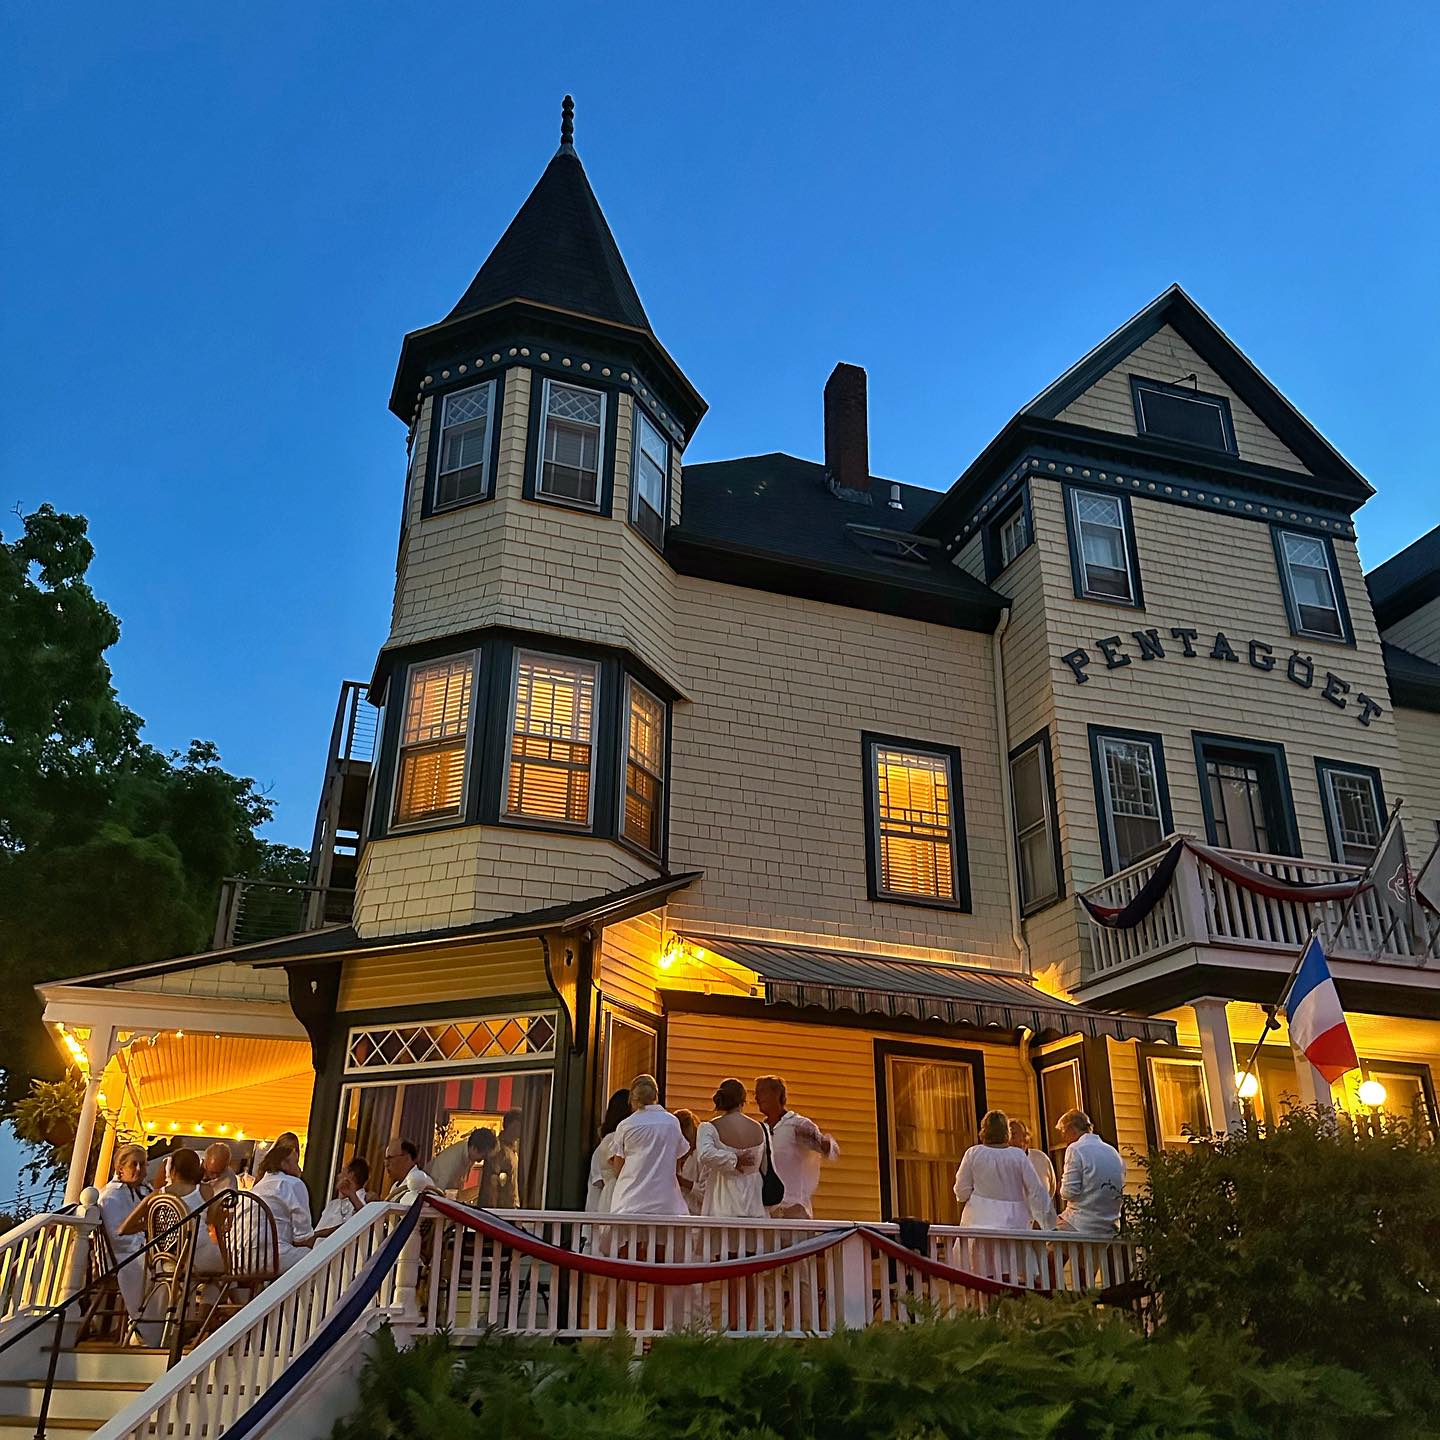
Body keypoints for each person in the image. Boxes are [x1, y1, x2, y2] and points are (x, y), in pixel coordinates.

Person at [755, 1075, 839, 1219]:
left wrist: (823, 1143)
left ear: (777, 1094)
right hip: (767, 1213)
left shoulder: (798, 1124)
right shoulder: (760, 1130)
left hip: (794, 1211)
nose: (756, 1097)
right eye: (755, 1093)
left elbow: (831, 1151)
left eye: (761, 1091)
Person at [607, 1075, 689, 1218]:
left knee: (631, 1239)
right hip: (666, 1202)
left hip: (630, 1201)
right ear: (656, 1095)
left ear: (633, 1097)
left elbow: (618, 1170)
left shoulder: (626, 1125)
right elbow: (680, 1155)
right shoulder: (672, 1123)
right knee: (663, 1239)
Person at [97, 1143, 151, 1334]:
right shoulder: (112, 1195)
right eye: (133, 1165)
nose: (139, 1169)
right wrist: (146, 1232)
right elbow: (116, 1235)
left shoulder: (144, 1191)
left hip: (142, 1248)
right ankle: (146, 1327)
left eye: (142, 1165)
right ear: (120, 1169)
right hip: (122, 1256)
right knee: (158, 1269)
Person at [695, 1079, 767, 1218]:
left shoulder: (709, 1128)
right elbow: (766, 1167)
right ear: (743, 1100)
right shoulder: (761, 1129)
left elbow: (705, 1154)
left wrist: (732, 1159)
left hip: (721, 1201)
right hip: (754, 1203)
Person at [1054, 1110, 1126, 1236]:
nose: (1064, 1138)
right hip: (1109, 1227)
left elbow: (1069, 1192)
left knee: (1042, 1232)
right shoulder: (1112, 1151)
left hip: (1081, 1223)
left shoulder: (1075, 1149)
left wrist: (1060, 1187)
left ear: (1071, 1128)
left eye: (1063, 1132)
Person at [251, 1139, 316, 1271]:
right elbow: (302, 1238)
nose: (300, 1169)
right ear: (284, 1164)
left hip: (241, 1260)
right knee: (320, 1258)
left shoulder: (257, 1188)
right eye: (296, 1163)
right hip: (272, 1257)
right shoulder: (293, 1183)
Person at [585, 1091, 631, 1215]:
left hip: (602, 1204)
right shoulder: (613, 1139)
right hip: (610, 1202)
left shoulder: (606, 1141)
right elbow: (618, 1169)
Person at [316, 1158, 371, 1237]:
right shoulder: (333, 1204)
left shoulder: (366, 1202)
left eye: (342, 1171)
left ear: (351, 1175)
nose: (338, 1176)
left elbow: (365, 1223)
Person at [1008, 1118, 1056, 1203]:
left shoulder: (1041, 1158)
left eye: (1013, 1134)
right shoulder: (1002, 1163)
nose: (1009, 1139)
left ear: (1025, 1137)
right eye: (1007, 1136)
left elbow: (1052, 1188)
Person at [382, 1139, 437, 1203]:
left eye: (390, 1158)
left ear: (407, 1158)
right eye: (385, 1159)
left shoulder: (421, 1181)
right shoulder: (395, 1186)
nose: (386, 1164)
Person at [672, 1109, 703, 1216]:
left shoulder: (701, 1157)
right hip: (674, 1216)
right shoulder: (670, 1156)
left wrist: (684, 1182)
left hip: (696, 1217)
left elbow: (708, 1193)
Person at [457, 1129, 497, 1204]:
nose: (482, 1159)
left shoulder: (467, 1159)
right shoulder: (456, 1159)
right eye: (483, 1155)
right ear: (473, 1148)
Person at [496, 1109, 524, 1206]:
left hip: (511, 1206)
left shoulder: (513, 1150)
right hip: (503, 1208)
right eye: (519, 1126)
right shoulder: (499, 1149)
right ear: (512, 1125)